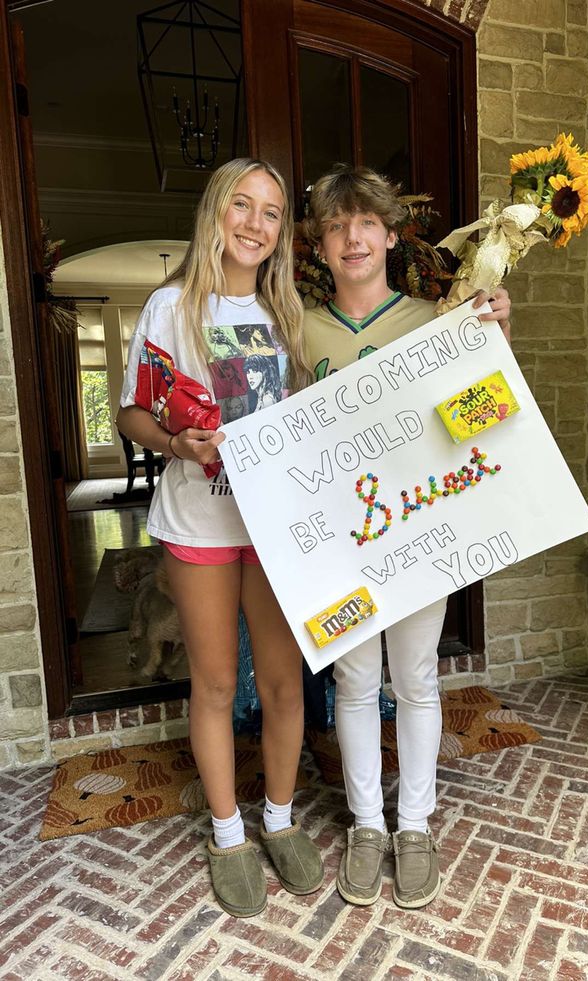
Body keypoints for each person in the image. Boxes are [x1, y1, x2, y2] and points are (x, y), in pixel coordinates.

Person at [116, 158, 322, 918]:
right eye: (242, 205)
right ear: (216, 212)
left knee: (283, 680)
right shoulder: (171, 308)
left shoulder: (290, 316)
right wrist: (180, 445)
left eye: (271, 213)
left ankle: (278, 816)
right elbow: (133, 415)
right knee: (213, 681)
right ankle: (229, 832)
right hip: (200, 519)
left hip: (274, 529)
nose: (255, 224)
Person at [302, 165, 511, 910]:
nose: (352, 236)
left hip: (420, 528)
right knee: (355, 682)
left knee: (416, 678)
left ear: (392, 235)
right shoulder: (300, 329)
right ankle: (366, 824)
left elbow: (480, 415)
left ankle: (414, 824)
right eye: (335, 225)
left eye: (366, 223)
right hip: (341, 538)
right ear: (321, 245)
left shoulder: (437, 319)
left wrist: (496, 341)